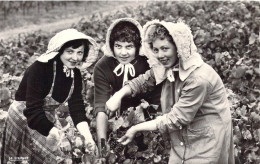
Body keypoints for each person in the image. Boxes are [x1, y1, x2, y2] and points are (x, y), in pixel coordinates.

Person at [106, 20, 234, 164]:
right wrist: (118, 95)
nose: (160, 55)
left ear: (178, 48)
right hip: (184, 138)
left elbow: (177, 118)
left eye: (165, 48)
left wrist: (136, 128)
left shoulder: (198, 78)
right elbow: (144, 80)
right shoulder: (167, 66)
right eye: (155, 50)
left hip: (207, 138)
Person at [1, 29, 99, 163]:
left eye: (79, 52)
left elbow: (76, 107)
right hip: (25, 116)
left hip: (46, 116)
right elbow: (33, 110)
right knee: (49, 158)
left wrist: (87, 136)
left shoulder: (74, 74)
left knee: (61, 155)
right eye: (70, 51)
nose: (75, 58)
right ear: (60, 51)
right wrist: (53, 131)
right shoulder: (41, 68)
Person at [93, 18, 161, 155]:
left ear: (138, 47)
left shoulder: (148, 62)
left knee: (148, 152)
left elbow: (158, 99)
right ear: (111, 47)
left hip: (149, 117)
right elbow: (101, 107)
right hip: (119, 121)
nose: (123, 53)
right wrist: (102, 148)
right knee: (116, 153)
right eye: (118, 46)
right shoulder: (102, 66)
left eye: (129, 46)